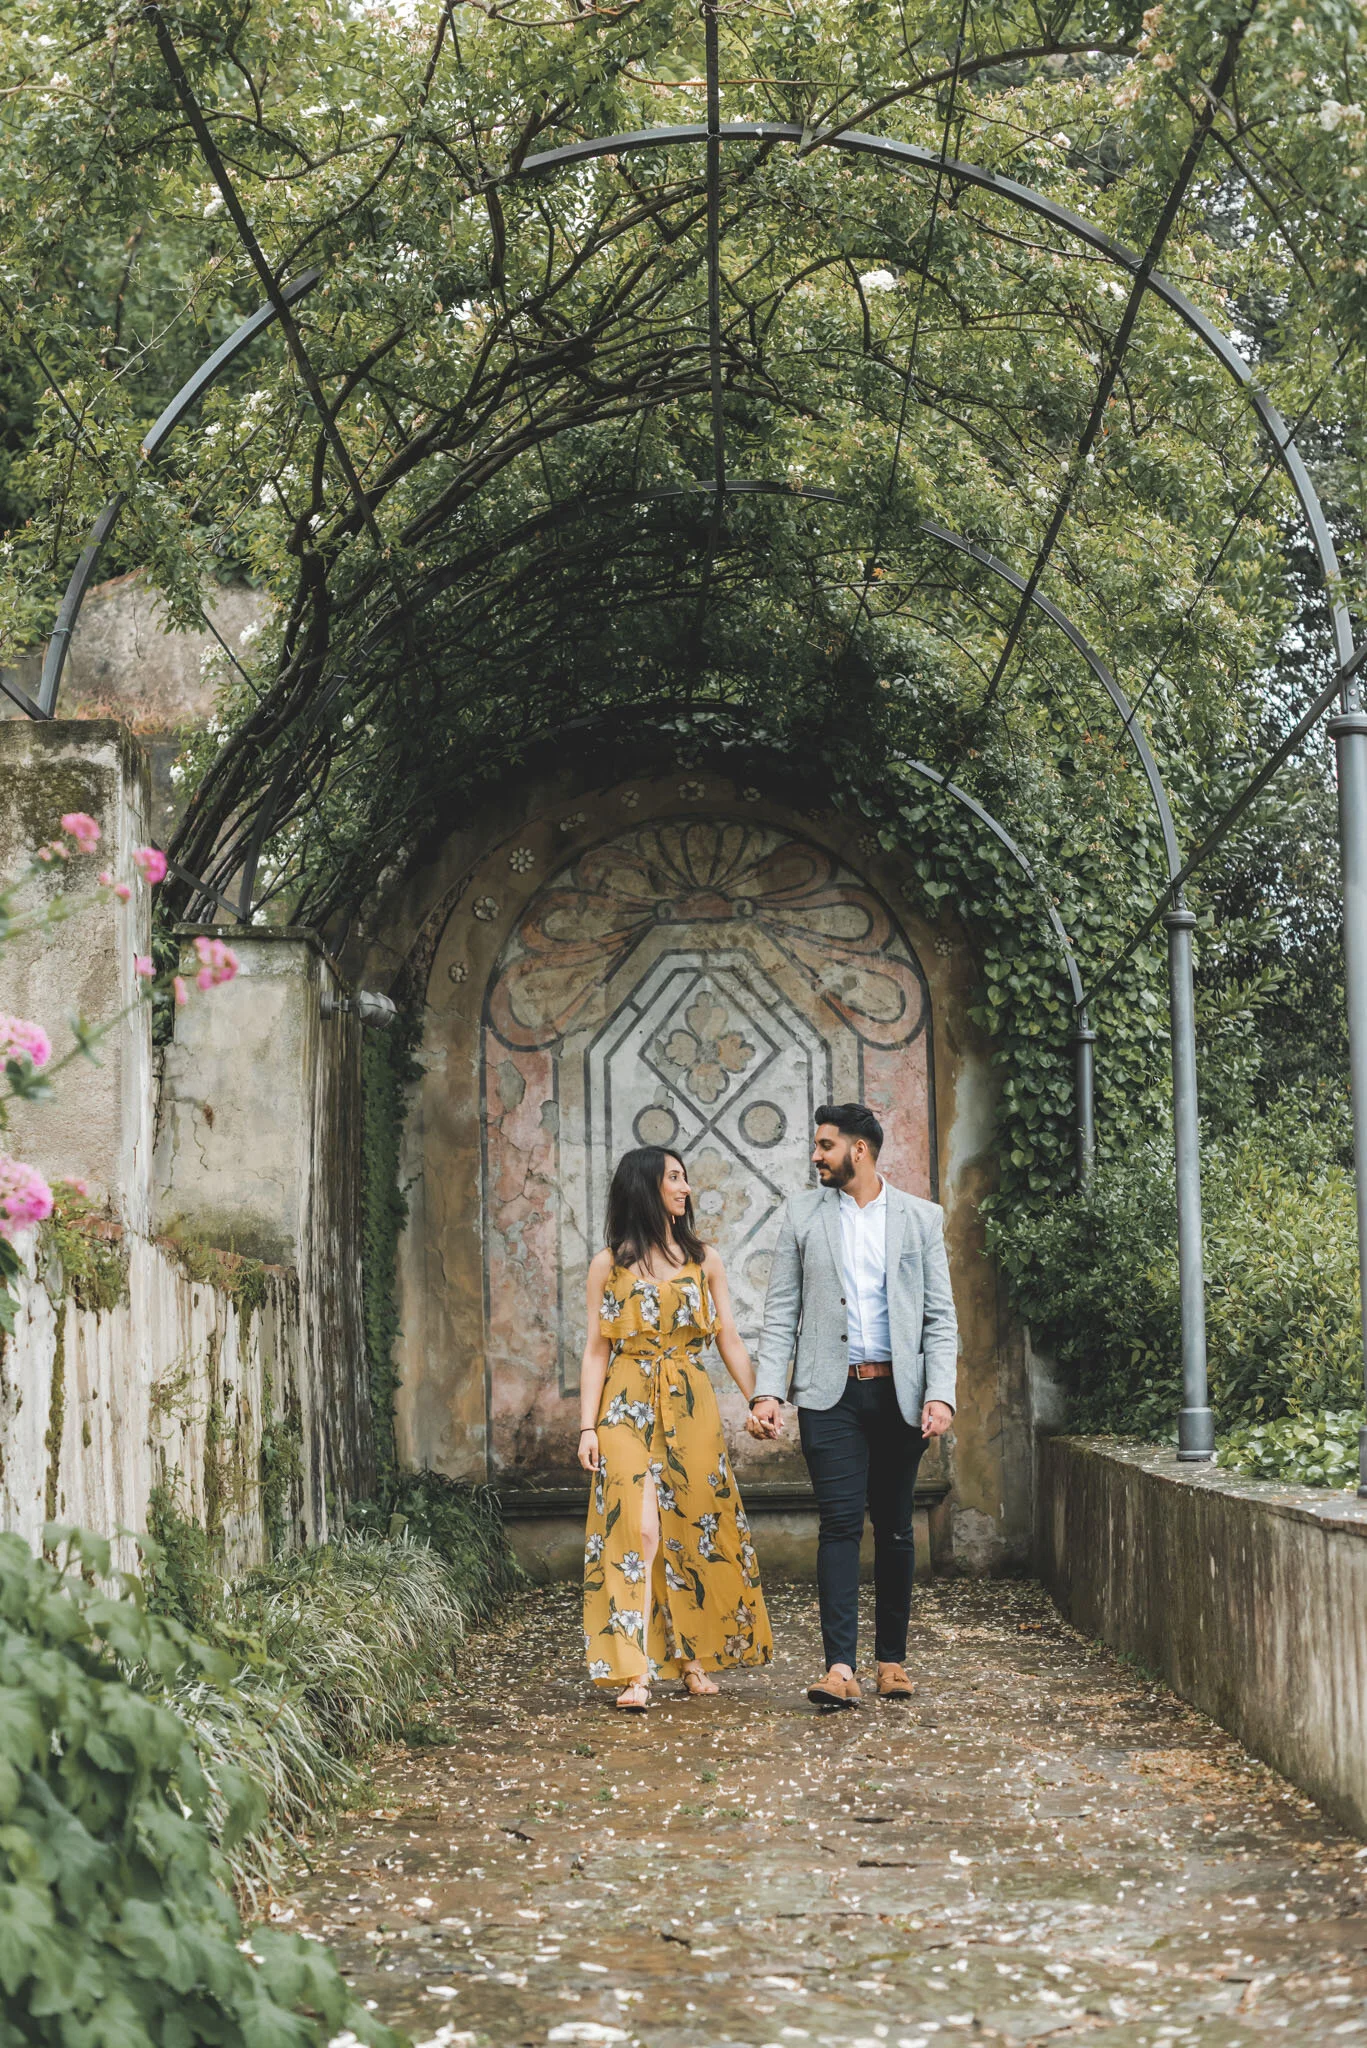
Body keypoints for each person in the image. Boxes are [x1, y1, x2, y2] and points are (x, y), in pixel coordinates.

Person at [747, 1103, 957, 1709]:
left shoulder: (920, 1219)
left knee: (894, 1527)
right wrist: (767, 1390)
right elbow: (781, 1311)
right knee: (838, 1523)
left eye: (825, 1145)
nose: (816, 1155)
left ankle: (892, 1661)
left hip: (901, 1395)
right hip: (828, 1394)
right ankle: (840, 1667)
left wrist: (939, 1392)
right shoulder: (802, 1214)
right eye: (817, 1146)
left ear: (858, 1150)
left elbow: (940, 1318)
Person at [578, 1145, 773, 1712]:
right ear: (645, 1187)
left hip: (690, 1402)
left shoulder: (704, 1259)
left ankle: (691, 1659)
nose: (686, 1188)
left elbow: (729, 1337)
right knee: (638, 1534)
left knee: (692, 1527)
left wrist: (758, 1398)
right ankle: (635, 1670)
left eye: (685, 1178)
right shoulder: (607, 1264)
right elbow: (595, 1349)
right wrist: (586, 1427)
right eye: (675, 1178)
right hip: (624, 1402)